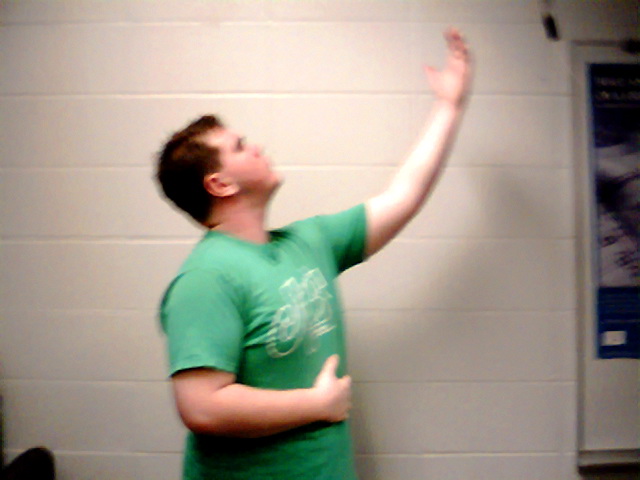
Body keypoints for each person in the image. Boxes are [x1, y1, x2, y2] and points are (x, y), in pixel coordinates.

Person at [156, 28, 472, 480]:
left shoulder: (308, 242)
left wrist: (449, 106)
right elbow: (202, 407)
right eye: (240, 147)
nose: (257, 147)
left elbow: (403, 196)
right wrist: (317, 404)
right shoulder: (206, 278)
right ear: (220, 184)